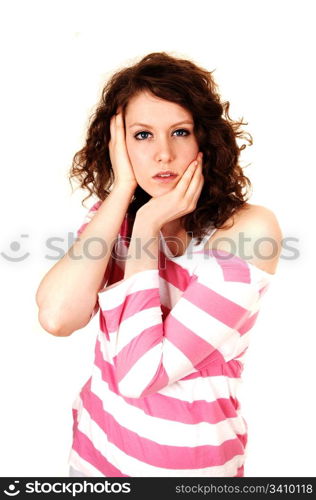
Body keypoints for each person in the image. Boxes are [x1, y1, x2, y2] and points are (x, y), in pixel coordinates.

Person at [35, 52, 283, 477]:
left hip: (186, 469)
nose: (163, 154)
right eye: (143, 135)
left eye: (180, 132)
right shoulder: (115, 219)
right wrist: (120, 194)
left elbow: (139, 375)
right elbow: (57, 317)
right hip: (96, 451)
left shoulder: (247, 231)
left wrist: (147, 228)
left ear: (205, 139)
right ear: (118, 144)